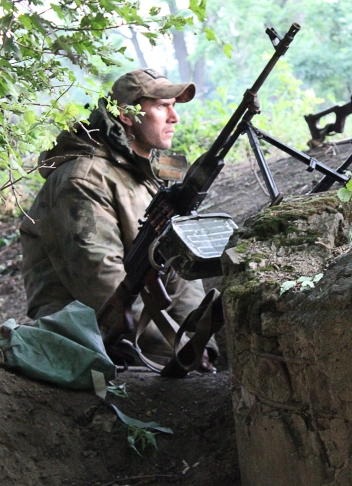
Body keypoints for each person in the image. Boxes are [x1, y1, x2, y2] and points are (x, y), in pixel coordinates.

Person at [19, 68, 217, 372]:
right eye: (162, 106)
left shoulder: (144, 177)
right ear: (127, 115)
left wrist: (200, 342)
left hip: (148, 332)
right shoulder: (82, 180)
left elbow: (177, 269)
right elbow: (103, 285)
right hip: (88, 338)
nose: (174, 117)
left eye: (173, 106)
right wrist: (177, 347)